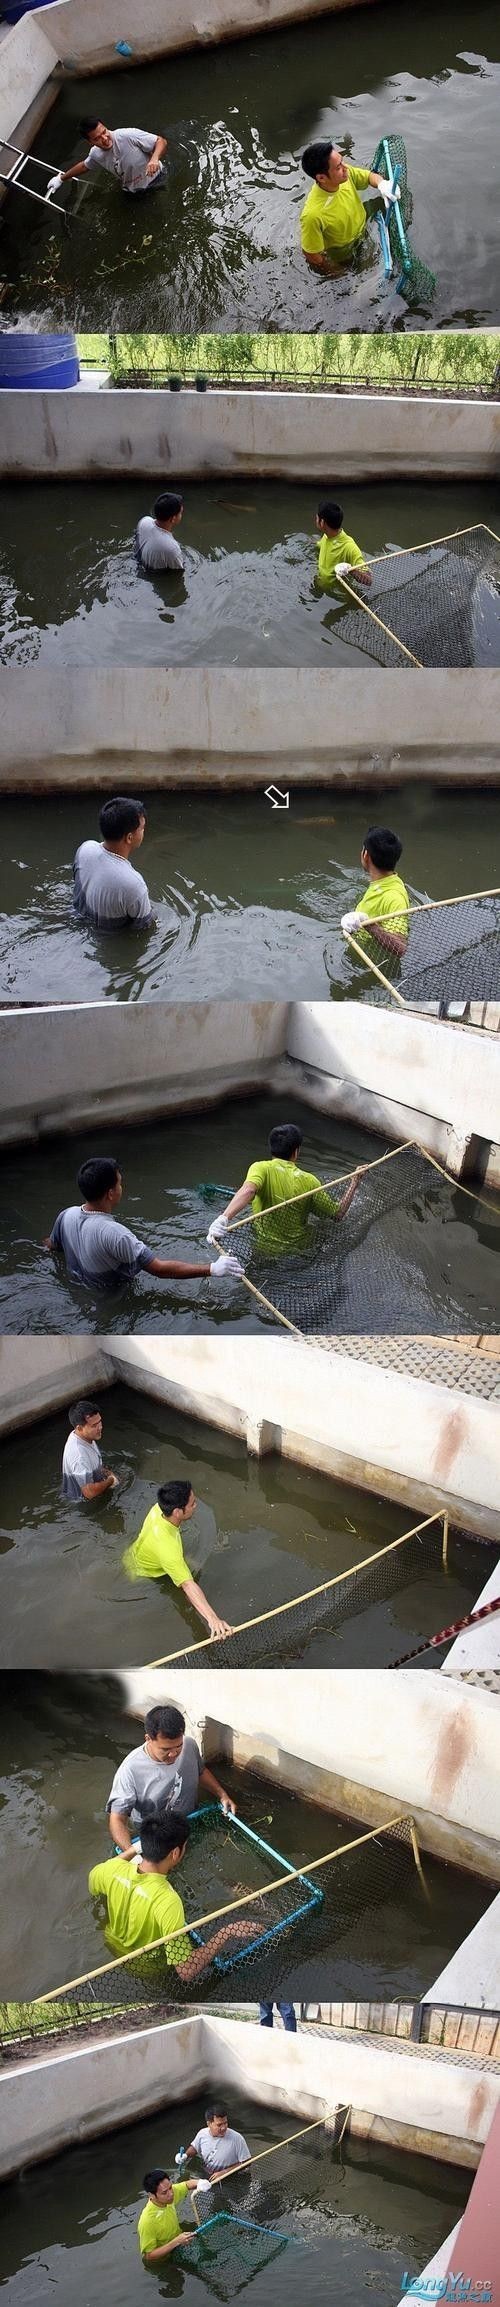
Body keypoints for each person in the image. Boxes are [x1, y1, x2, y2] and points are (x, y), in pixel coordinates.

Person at [43, 1156, 243, 1295]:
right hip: (113, 1297)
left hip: (78, 1288)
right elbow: (159, 1270)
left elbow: (51, 1246)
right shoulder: (117, 1234)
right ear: (111, 1194)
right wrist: (212, 1268)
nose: (122, 1187)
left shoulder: (66, 1215)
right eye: (119, 1183)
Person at [89, 1813, 255, 1980]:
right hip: (147, 1967)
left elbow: (94, 1880)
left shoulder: (111, 1870)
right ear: (175, 1853)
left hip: (112, 1945)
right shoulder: (168, 1901)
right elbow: (186, 1971)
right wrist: (227, 1932)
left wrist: (133, 1849)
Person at [207, 1122, 363, 1259]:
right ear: (296, 1151)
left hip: (262, 1249)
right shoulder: (310, 1181)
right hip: (299, 1251)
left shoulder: (260, 1168)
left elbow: (248, 1191)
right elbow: (338, 1215)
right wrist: (354, 1182)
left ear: (271, 1147)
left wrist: (224, 1218)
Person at [106, 1701, 237, 1852]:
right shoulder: (130, 1770)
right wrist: (131, 1853)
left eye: (178, 1746)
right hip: (156, 1835)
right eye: (166, 1749)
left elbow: (201, 1771)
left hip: (189, 1820)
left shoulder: (189, 1745)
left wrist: (223, 1794)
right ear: (148, 1739)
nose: (174, 1754)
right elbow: (117, 1818)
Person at [123, 1479, 232, 1642]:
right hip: (143, 1575)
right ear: (177, 1512)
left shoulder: (157, 1509)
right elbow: (188, 1585)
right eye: (192, 1504)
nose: (196, 1506)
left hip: (130, 1555)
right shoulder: (168, 1549)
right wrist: (213, 1619)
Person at [300, 139, 400, 274]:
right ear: (321, 178)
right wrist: (335, 271)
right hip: (343, 254)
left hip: (362, 233)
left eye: (342, 161)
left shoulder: (344, 176)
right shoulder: (312, 215)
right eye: (338, 167)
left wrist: (382, 184)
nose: (345, 168)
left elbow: (369, 176)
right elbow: (311, 253)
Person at [73, 797, 153, 930]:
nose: (144, 832)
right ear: (129, 838)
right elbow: (145, 926)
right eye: (142, 828)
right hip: (108, 938)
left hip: (77, 918)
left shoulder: (85, 849)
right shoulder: (134, 884)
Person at [47, 119, 168, 203]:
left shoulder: (127, 135)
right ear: (90, 142)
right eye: (97, 138)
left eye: (104, 132)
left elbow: (160, 141)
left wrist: (154, 158)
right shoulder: (96, 153)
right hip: (132, 190)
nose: (105, 139)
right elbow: (84, 166)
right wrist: (61, 178)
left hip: (156, 179)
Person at [341, 827, 410, 959]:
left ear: (365, 855)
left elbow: (400, 948)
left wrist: (370, 925)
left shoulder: (394, 897)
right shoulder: (386, 881)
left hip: (368, 959)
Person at [61, 1398, 118, 1502]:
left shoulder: (84, 1436)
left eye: (99, 1422)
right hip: (84, 1503)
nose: (100, 1427)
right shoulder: (79, 1456)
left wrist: (108, 1473)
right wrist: (110, 1480)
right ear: (79, 1428)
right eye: (94, 1425)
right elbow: (89, 1493)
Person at [138, 2169, 198, 2265]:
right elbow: (148, 2256)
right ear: (151, 2195)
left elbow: (187, 2184)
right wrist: (176, 2242)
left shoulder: (168, 2195)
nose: (171, 2194)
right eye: (164, 2192)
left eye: (170, 2187)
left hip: (179, 2242)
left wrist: (201, 2183)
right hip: (163, 2260)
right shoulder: (147, 2221)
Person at [179, 2105, 250, 2176]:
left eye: (225, 2123)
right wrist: (186, 2155)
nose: (223, 2128)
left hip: (230, 2177)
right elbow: (195, 2147)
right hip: (207, 2172)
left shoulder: (237, 2139)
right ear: (209, 2124)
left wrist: (225, 2172)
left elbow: (246, 2162)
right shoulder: (202, 2134)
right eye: (219, 2125)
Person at [315, 500, 372, 588]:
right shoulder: (326, 536)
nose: (315, 520)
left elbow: (369, 581)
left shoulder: (349, 547)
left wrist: (351, 570)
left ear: (322, 522)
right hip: (320, 583)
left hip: (336, 595)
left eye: (317, 518)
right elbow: (319, 545)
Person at [135, 492, 185, 574]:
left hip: (138, 563)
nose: (181, 515)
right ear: (173, 519)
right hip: (155, 576)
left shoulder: (144, 521)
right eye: (180, 513)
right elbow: (178, 574)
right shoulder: (172, 549)